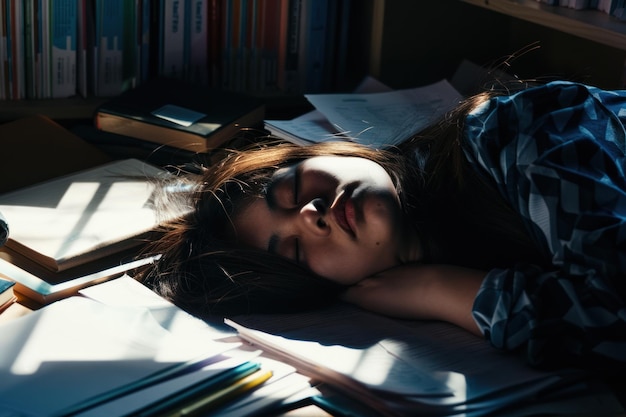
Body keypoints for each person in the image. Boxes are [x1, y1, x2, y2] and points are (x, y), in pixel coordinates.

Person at [137, 79, 626, 371]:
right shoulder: (456, 240)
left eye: (291, 191)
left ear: (328, 152)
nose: (312, 214)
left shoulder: (517, 134)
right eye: (296, 252)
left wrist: (445, 291)